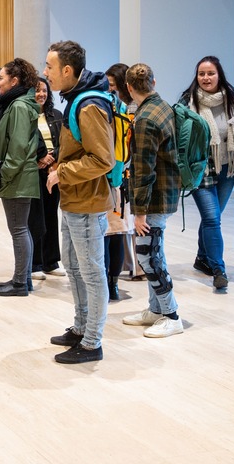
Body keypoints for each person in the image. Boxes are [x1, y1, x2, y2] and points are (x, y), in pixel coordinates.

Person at [44, 40, 115, 365]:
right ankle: (81, 327)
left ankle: (92, 342)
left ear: (68, 70)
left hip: (87, 202)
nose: (46, 73)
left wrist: (63, 172)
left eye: (49, 67)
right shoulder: (75, 100)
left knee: (91, 271)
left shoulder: (88, 105)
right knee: (73, 267)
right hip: (74, 200)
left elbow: (104, 159)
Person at [179, 55, 234, 291]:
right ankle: (218, 269)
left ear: (219, 75)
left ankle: (202, 258)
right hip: (200, 168)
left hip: (228, 168)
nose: (206, 78)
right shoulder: (188, 102)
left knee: (211, 218)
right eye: (201, 74)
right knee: (212, 218)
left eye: (210, 73)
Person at [120, 63, 184, 338]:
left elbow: (144, 169)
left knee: (147, 256)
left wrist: (139, 212)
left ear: (130, 88)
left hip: (154, 197)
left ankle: (171, 315)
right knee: (154, 253)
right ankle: (156, 309)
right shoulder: (163, 107)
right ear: (154, 82)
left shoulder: (145, 118)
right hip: (166, 190)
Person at [0, 58, 40, 297]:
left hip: (17, 176)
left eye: (1, 77)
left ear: (14, 80)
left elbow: (18, 148)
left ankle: (20, 282)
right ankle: (24, 279)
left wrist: (3, 175)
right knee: (20, 228)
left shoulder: (18, 106)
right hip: (17, 175)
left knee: (18, 229)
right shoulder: (14, 103)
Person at [103, 63, 136, 300]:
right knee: (115, 235)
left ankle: (107, 284)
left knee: (105, 236)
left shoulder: (100, 108)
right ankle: (112, 285)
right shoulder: (127, 109)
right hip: (121, 181)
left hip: (105, 181)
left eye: (112, 85)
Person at [29, 78, 64, 280]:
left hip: (53, 169)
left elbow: (65, 141)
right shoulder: (27, 115)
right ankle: (35, 263)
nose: (41, 94)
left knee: (51, 215)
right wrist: (40, 157)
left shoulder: (57, 115)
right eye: (37, 91)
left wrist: (53, 158)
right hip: (34, 170)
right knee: (36, 218)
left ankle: (51, 262)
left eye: (44, 90)